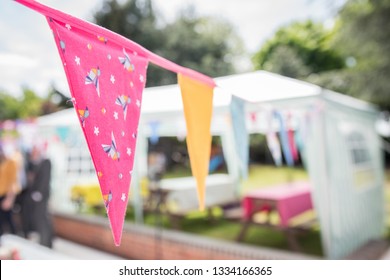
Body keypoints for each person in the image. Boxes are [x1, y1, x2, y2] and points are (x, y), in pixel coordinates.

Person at [23, 144, 53, 248]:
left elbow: (45, 179)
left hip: (42, 196)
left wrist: (39, 192)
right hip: (35, 196)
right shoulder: (34, 163)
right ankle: (42, 240)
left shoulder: (46, 162)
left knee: (42, 218)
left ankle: (47, 242)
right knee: (37, 218)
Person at [0, 146, 18, 236]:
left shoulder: (11, 163)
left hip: (5, 195)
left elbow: (13, 183)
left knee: (8, 222)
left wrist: (10, 199)